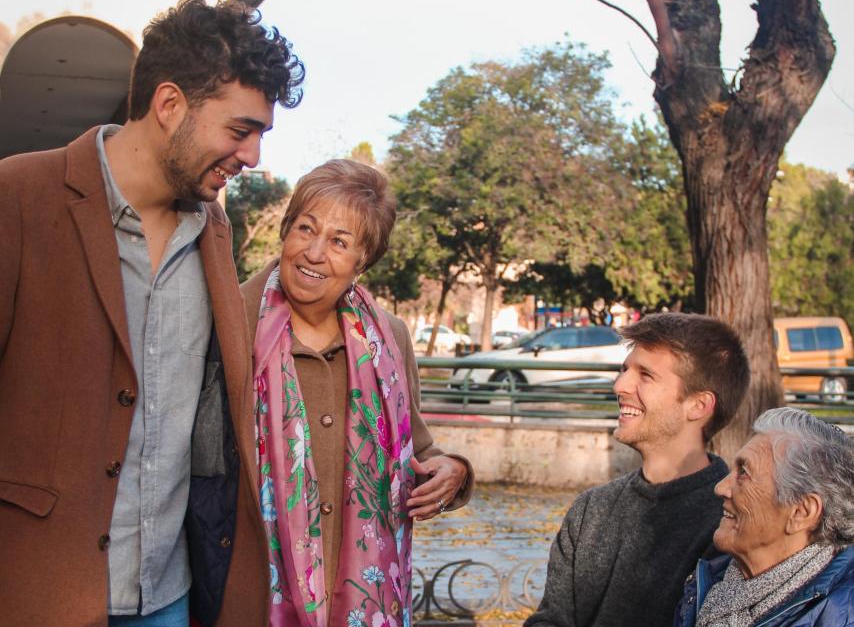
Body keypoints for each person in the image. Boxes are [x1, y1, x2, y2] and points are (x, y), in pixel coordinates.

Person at [0, 0, 303, 627]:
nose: (252, 158)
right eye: (240, 129)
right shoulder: (18, 198)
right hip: (37, 591)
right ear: (169, 106)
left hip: (171, 596)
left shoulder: (215, 232)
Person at [241, 159, 474, 626]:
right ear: (285, 231)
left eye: (339, 242)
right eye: (305, 229)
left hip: (363, 603)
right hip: (251, 599)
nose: (314, 252)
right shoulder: (231, 323)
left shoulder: (388, 339)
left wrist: (453, 471)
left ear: (362, 260)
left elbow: (418, 449)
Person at [525, 313, 750, 627]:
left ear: (698, 405)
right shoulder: (591, 509)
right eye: (624, 369)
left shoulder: (731, 522)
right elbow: (551, 619)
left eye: (645, 375)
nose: (620, 385)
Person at [674, 407, 854, 627]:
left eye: (743, 473)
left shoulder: (842, 615)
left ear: (802, 512)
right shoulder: (708, 586)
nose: (721, 488)